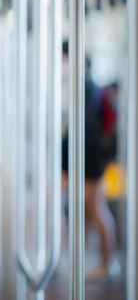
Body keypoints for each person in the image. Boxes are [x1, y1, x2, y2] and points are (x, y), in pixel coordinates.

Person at [61, 42, 118, 282]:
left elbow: (81, 131)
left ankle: (108, 263)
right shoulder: (83, 88)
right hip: (82, 160)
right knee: (85, 209)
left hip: (89, 163)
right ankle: (88, 259)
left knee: (96, 209)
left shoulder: (87, 89)